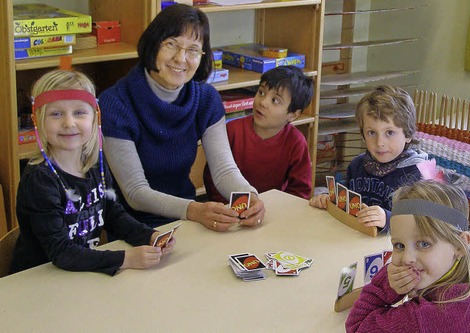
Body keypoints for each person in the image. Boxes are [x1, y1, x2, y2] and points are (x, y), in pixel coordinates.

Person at [98, 4, 265, 231]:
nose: (181, 58)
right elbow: (135, 192)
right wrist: (194, 210)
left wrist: (250, 197)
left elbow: (224, 170)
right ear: (153, 44)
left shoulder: (206, 99)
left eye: (193, 50)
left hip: (185, 220)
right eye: (171, 44)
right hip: (132, 227)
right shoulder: (115, 103)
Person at [11, 69, 175, 276]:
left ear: (95, 118)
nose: (69, 123)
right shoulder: (40, 180)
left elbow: (112, 213)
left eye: (79, 112)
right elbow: (61, 253)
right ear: (38, 121)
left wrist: (149, 236)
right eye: (56, 114)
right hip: (41, 279)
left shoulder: (95, 163)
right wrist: (125, 259)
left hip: (82, 270)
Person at [345, 180, 470, 332]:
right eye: (399, 245)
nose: (406, 258)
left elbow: (357, 326)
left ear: (459, 245)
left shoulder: (426, 317)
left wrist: (387, 285)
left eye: (424, 244)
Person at [309, 85, 434, 233]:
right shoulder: (357, 165)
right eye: (371, 133)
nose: (380, 142)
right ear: (362, 135)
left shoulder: (419, 175)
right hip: (354, 240)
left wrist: (388, 219)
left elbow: (425, 224)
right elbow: (345, 197)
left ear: (408, 135)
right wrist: (328, 198)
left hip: (395, 250)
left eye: (390, 133)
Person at [203, 65, 314, 201]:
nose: (263, 102)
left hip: (275, 210)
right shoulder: (232, 130)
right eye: (261, 92)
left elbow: (300, 191)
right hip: (230, 209)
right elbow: (213, 179)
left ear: (292, 115)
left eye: (275, 100)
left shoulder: (296, 142)